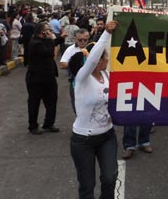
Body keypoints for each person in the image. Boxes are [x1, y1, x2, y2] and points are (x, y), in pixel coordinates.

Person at [70, 20, 119, 199]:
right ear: (96, 61)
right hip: (83, 141)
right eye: (104, 57)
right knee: (87, 185)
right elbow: (91, 59)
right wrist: (105, 33)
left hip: (107, 136)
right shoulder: (83, 78)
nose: (107, 59)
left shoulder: (107, 76)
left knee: (110, 178)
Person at [26, 22, 63, 134]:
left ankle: (49, 123)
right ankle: (33, 126)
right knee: (34, 103)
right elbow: (48, 51)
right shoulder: (36, 43)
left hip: (49, 77)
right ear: (42, 31)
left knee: (52, 101)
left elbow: (52, 43)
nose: (50, 31)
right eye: (47, 29)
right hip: (36, 78)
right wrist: (51, 38)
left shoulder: (45, 41)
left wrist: (60, 38)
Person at [60, 28, 90, 113]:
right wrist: (76, 66)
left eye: (85, 39)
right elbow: (62, 64)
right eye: (80, 40)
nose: (83, 42)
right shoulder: (71, 49)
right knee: (77, 108)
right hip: (75, 83)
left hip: (91, 82)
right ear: (75, 39)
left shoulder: (92, 48)